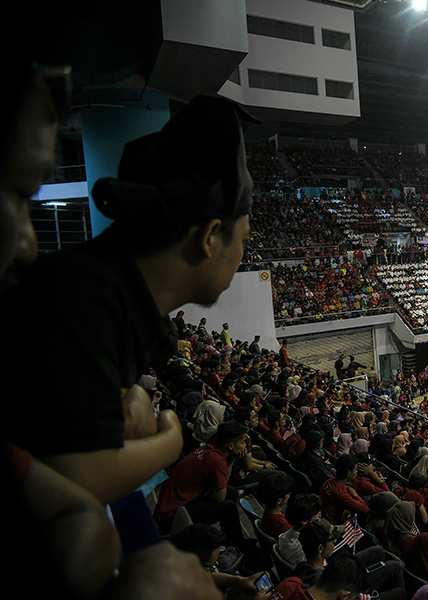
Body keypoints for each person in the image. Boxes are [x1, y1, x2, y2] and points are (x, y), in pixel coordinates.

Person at [1, 94, 256, 506]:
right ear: (209, 237)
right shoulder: (80, 298)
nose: (244, 252)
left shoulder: (101, 291)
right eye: (243, 240)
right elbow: (79, 478)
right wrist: (169, 436)